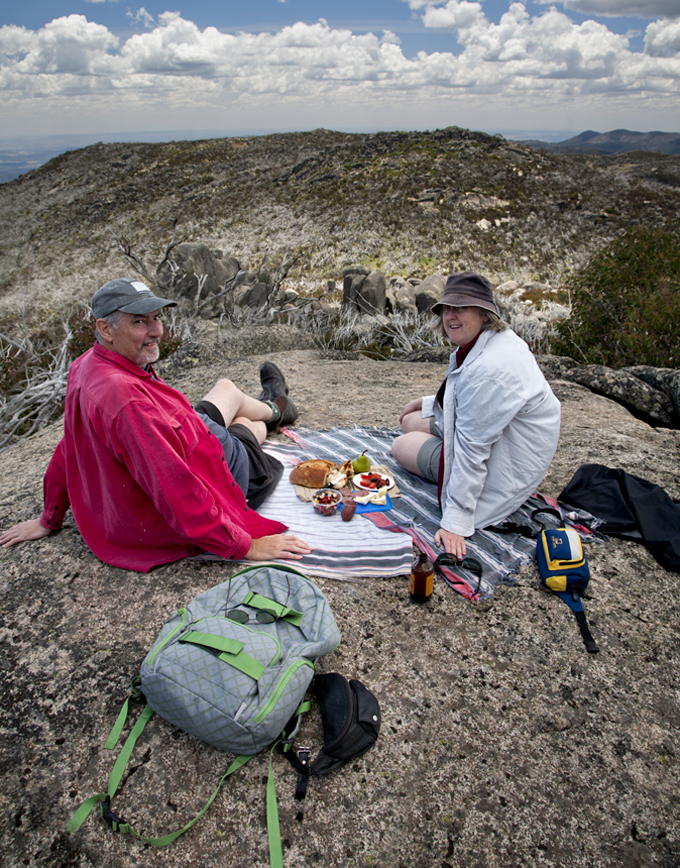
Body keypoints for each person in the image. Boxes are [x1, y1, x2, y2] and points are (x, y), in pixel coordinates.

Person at [0, 278, 312, 570]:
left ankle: (277, 408)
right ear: (105, 328)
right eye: (139, 321)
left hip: (182, 427)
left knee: (227, 389)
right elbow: (175, 490)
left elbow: (72, 444)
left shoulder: (87, 366)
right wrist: (245, 546)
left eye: (156, 318)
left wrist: (49, 518)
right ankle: (273, 411)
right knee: (246, 425)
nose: (157, 330)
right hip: (216, 472)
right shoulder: (125, 403)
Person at [393, 271, 561, 561]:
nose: (451, 316)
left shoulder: (491, 369)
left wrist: (456, 523)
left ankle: (450, 485)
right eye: (447, 308)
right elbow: (470, 401)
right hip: (504, 439)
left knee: (400, 446)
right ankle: (426, 431)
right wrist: (428, 402)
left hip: (503, 464)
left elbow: (473, 450)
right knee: (410, 421)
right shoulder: (492, 341)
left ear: (485, 314)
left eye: (461, 307)